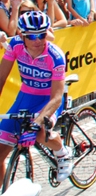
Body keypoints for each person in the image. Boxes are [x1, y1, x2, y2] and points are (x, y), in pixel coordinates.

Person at [0, 12, 73, 183]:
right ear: (22, 34)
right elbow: (1, 78)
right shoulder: (15, 45)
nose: (38, 40)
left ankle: (63, 152)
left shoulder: (55, 56)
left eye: (42, 34)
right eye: (32, 36)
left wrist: (35, 125)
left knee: (40, 133)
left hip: (48, 100)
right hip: (25, 96)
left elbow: (56, 98)